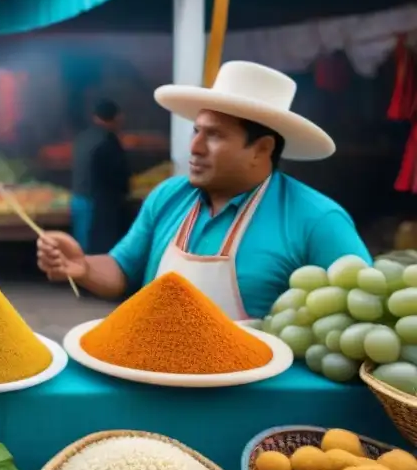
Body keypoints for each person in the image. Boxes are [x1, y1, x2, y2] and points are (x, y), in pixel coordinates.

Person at [38, 61, 371, 319]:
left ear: (261, 148)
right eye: (196, 131)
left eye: (214, 136)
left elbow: (357, 319)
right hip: (157, 382)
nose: (194, 147)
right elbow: (123, 268)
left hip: (251, 399)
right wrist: (83, 266)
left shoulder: (316, 220)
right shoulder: (168, 196)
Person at [70, 99, 131, 254]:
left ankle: (78, 276)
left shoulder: (83, 137)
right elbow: (118, 174)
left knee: (81, 248)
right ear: (116, 118)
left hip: (79, 199)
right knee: (97, 250)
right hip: (98, 204)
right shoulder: (108, 141)